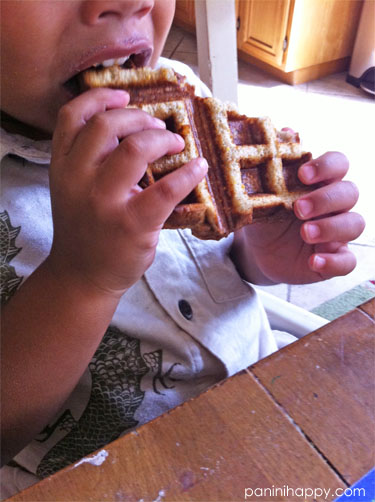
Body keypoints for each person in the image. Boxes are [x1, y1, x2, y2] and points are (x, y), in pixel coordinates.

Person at [0, 0, 365, 497]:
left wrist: (257, 255)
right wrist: (80, 280)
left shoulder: (175, 93)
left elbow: (207, 258)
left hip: (269, 411)